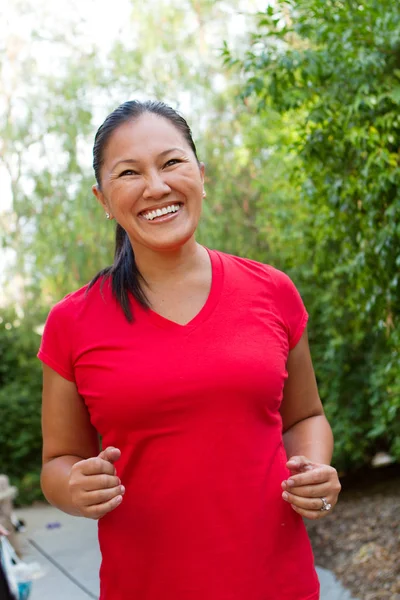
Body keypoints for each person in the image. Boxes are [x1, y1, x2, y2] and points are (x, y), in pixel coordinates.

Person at [38, 100, 341, 600]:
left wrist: (314, 470)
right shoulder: (72, 322)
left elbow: (305, 417)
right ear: (103, 200)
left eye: (171, 162)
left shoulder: (273, 291)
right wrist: (73, 487)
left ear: (201, 175)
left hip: (278, 585)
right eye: (129, 172)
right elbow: (59, 462)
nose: (155, 186)